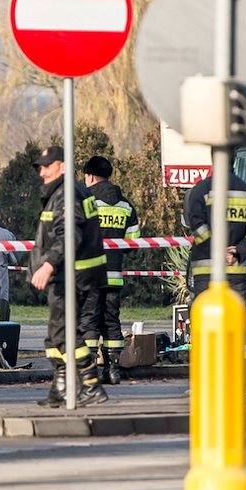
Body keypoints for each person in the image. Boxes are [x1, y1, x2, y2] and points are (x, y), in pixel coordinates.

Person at [29, 146, 108, 408]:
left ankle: (90, 385)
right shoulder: (66, 192)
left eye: (47, 166)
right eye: (40, 167)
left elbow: (70, 235)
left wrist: (48, 264)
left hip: (71, 274)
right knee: (56, 336)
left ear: (62, 166)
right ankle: (61, 387)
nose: (42, 172)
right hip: (75, 273)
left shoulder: (66, 194)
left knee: (64, 334)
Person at [185, 170, 246, 393]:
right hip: (236, 269)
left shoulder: (201, 190)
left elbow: (196, 224)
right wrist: (239, 251)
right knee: (240, 326)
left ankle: (202, 383)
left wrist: (216, 248)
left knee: (204, 326)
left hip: (207, 270)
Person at [83, 156, 140, 385]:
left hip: (89, 273)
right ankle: (113, 369)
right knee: (111, 320)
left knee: (89, 320)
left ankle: (89, 371)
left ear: (91, 176)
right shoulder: (126, 205)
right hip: (114, 275)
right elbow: (133, 241)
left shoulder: (86, 201)